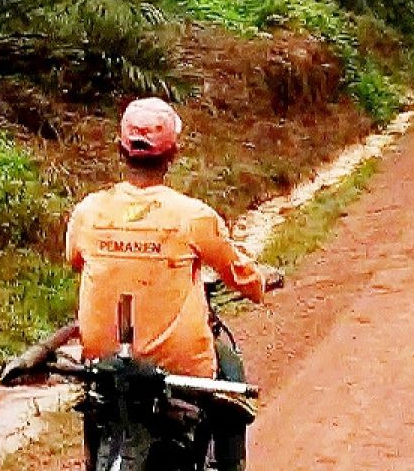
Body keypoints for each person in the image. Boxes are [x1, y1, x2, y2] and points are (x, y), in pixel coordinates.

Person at [65, 97, 275, 471]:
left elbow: (75, 260)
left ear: (120, 150)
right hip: (177, 367)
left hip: (105, 360)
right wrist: (260, 284)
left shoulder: (88, 212)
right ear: (173, 154)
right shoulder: (193, 216)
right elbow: (241, 275)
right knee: (229, 367)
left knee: (99, 399)